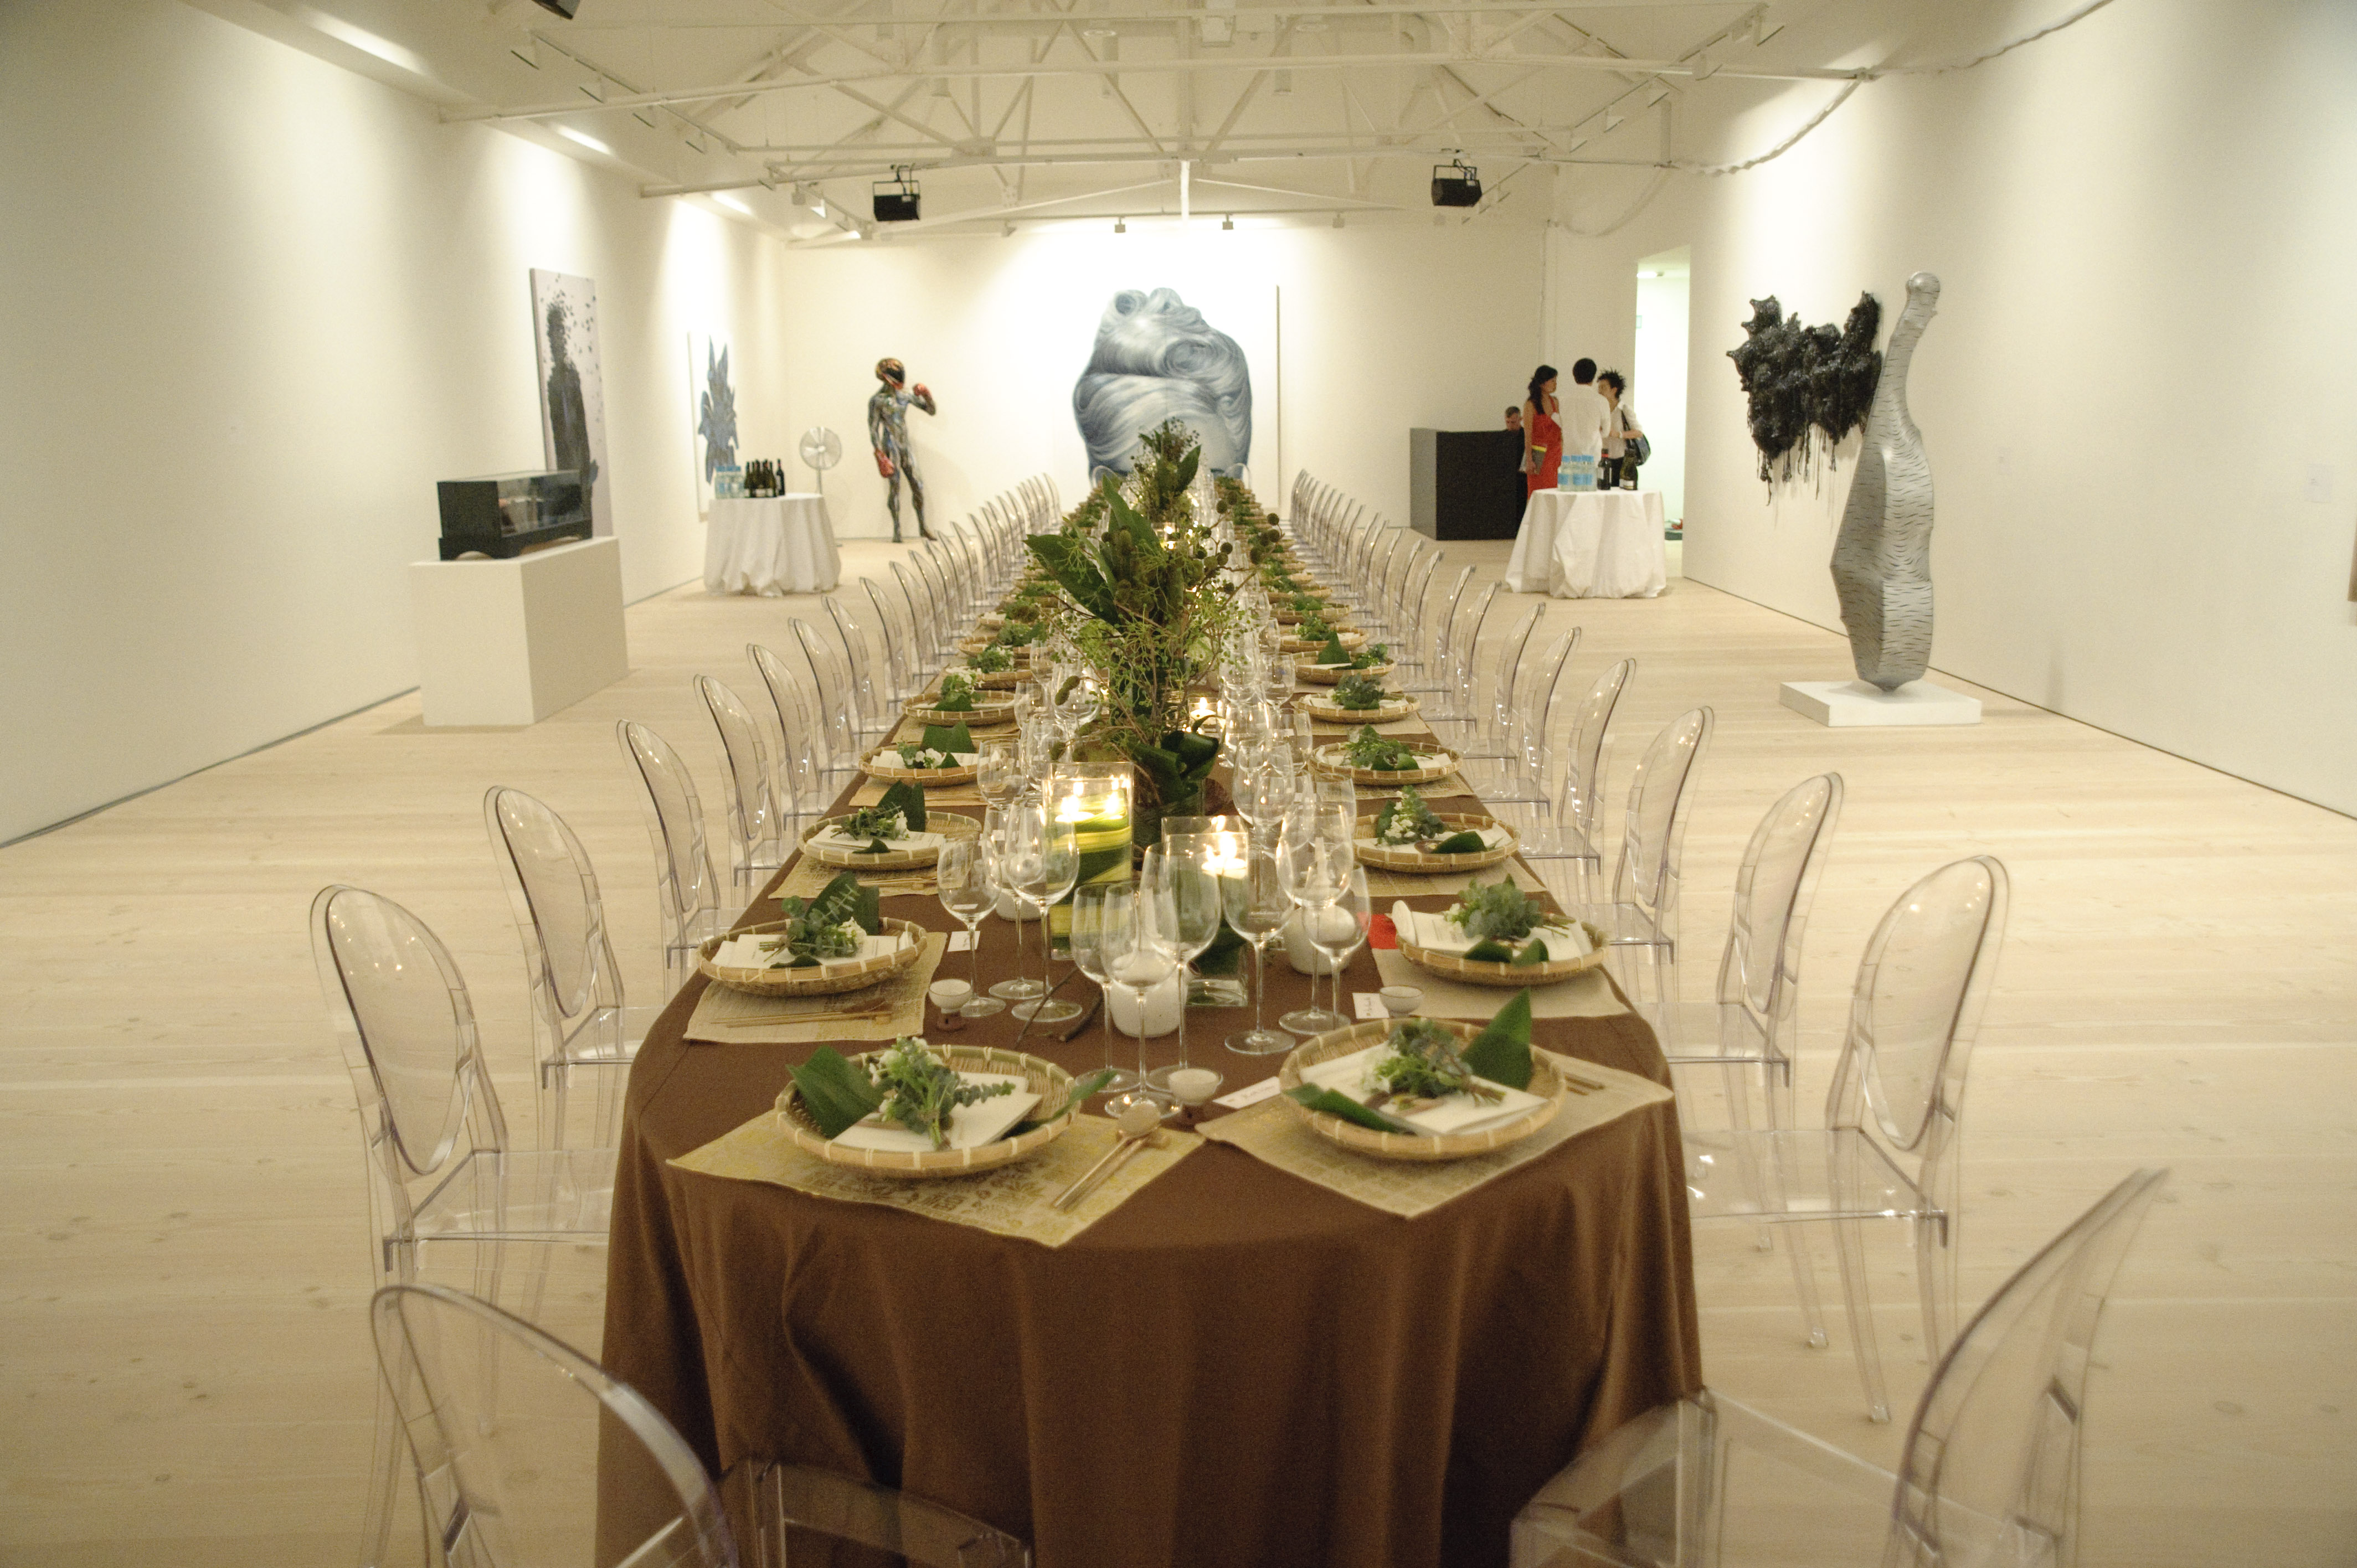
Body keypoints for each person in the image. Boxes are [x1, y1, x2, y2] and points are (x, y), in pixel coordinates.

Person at [868, 358, 938, 542]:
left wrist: (927, 395)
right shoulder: (878, 401)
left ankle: (923, 527)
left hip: (905, 446)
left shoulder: (904, 395)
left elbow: (931, 411)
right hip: (890, 446)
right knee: (895, 487)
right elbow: (873, 429)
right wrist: (880, 455)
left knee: (918, 485)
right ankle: (897, 530)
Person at [1557, 359, 1609, 486]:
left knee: (1569, 496)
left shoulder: (1562, 399)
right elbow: (1606, 432)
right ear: (1593, 376)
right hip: (1592, 457)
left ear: (1574, 375)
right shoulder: (1601, 400)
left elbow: (1560, 423)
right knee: (1590, 497)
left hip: (1569, 458)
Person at [1597, 370, 1644, 490]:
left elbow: (1638, 432)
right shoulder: (1598, 409)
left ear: (1614, 390)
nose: (1600, 391)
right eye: (1599, 388)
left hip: (1621, 462)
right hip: (1602, 460)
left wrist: (1618, 434)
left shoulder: (1624, 409)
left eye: (1603, 387)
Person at [1521, 365, 1561, 496]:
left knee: (1555, 491)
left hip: (1556, 453)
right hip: (1539, 456)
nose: (1555, 384)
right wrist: (1529, 459)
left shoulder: (1556, 402)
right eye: (1553, 381)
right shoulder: (1531, 405)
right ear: (1543, 383)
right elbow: (1528, 434)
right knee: (1536, 493)